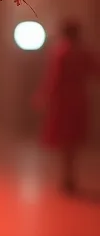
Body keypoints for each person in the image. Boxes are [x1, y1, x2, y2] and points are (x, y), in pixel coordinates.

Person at [36, 19, 100, 194]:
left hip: (63, 100)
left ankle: (68, 176)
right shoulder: (84, 52)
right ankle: (70, 175)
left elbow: (54, 78)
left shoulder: (61, 52)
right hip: (79, 98)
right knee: (73, 139)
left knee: (65, 138)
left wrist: (44, 96)